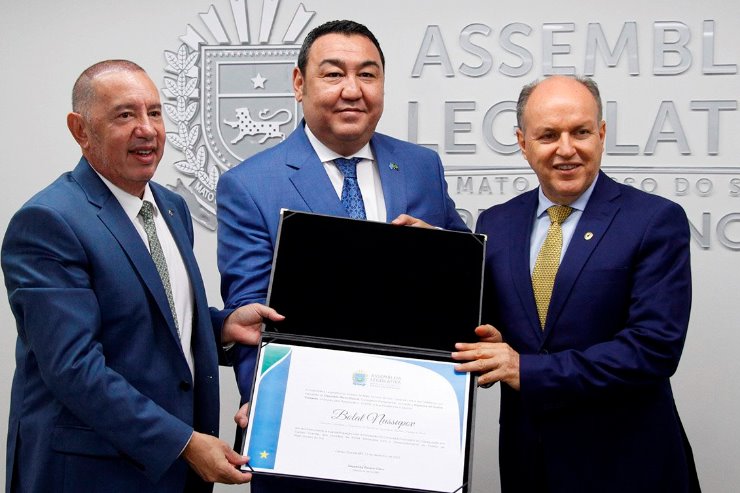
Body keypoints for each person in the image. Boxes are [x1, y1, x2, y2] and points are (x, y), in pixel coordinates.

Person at [1, 60, 285, 493]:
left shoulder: (170, 207)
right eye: (125, 115)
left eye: (154, 112)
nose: (147, 129)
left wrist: (221, 328)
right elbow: (73, 368)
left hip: (169, 474)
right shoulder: (48, 221)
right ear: (80, 130)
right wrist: (184, 443)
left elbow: (152, 318)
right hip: (88, 475)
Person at [216, 19, 468, 492]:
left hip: (412, 440)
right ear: (299, 83)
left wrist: (441, 249)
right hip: (309, 440)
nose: (352, 90)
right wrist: (267, 402)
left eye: (367, 75)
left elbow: (465, 276)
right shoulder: (250, 185)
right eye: (333, 74)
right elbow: (251, 316)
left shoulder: (421, 167)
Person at [451, 75, 700, 492]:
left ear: (601, 134)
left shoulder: (654, 220)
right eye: (548, 135)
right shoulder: (495, 222)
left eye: (580, 132)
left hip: (628, 465)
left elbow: (653, 349)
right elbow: (511, 328)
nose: (566, 149)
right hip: (529, 463)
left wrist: (526, 369)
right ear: (522, 142)